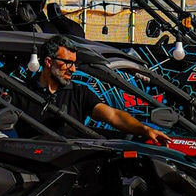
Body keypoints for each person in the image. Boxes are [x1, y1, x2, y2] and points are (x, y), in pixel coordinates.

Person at [27, 34, 171, 144]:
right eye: (68, 63)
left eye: (75, 64)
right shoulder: (22, 92)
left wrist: (145, 130)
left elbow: (113, 115)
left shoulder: (79, 92)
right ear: (48, 62)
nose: (73, 69)